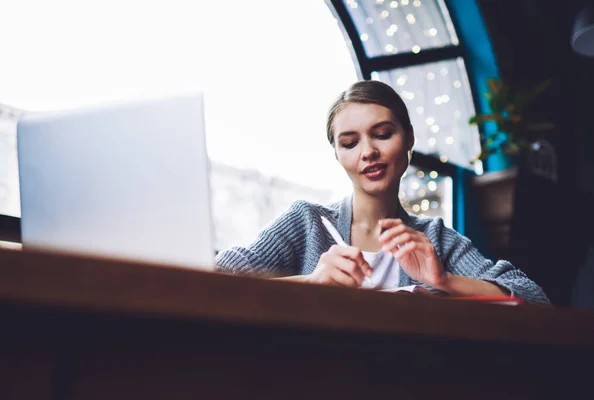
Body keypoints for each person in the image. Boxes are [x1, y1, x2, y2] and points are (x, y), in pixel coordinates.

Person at [216, 80, 550, 304]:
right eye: (349, 142)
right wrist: (312, 283)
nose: (367, 152)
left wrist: (444, 280)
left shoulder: (435, 238)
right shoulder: (306, 222)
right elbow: (216, 280)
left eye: (382, 134)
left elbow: (532, 298)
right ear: (337, 154)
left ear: (408, 139)